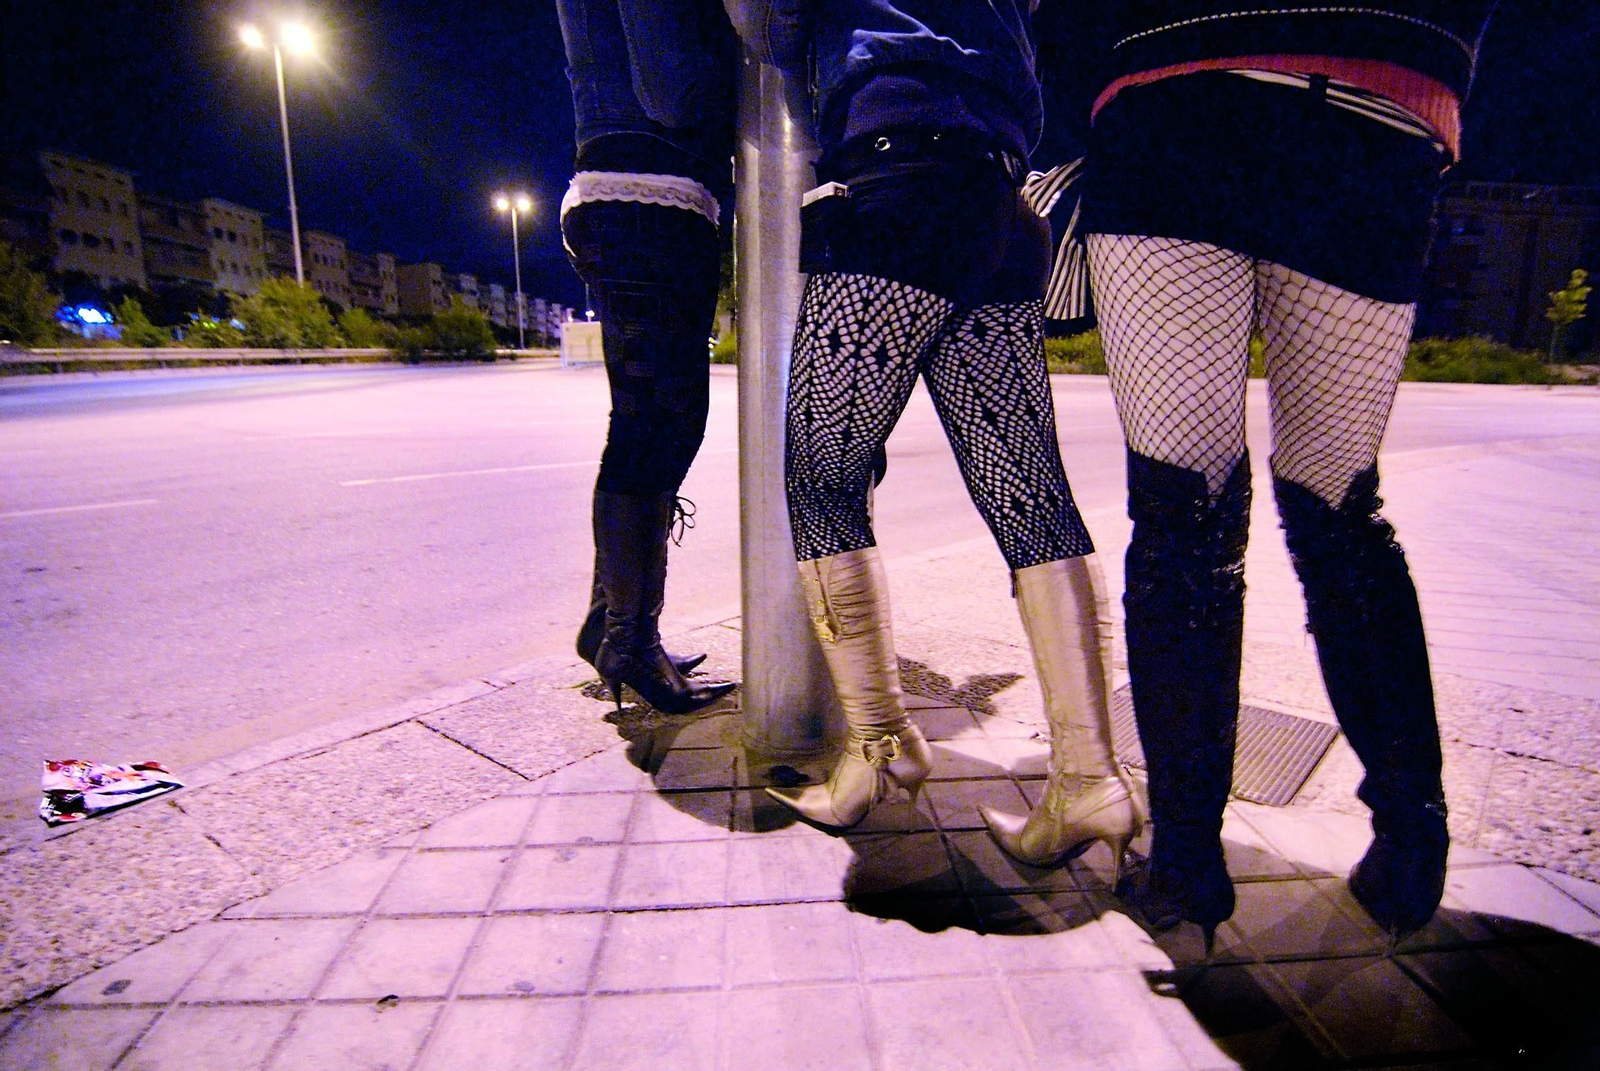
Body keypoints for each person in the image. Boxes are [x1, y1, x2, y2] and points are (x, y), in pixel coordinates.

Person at [1049, 1, 1498, 943]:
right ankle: (1413, 834)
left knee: (1185, 515)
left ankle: (1187, 864)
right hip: (1383, 101)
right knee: (1339, 509)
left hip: (1178, 88)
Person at [729, 0, 1144, 864]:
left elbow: (772, 22)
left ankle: (880, 751)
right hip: (1000, 201)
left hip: (897, 183)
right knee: (1030, 496)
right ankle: (1090, 777)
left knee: (822, 481)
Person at [556, 0, 740, 714]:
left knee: (652, 426)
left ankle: (613, 622)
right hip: (649, 198)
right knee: (655, 430)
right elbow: (673, 87)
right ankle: (629, 641)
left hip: (634, 192)